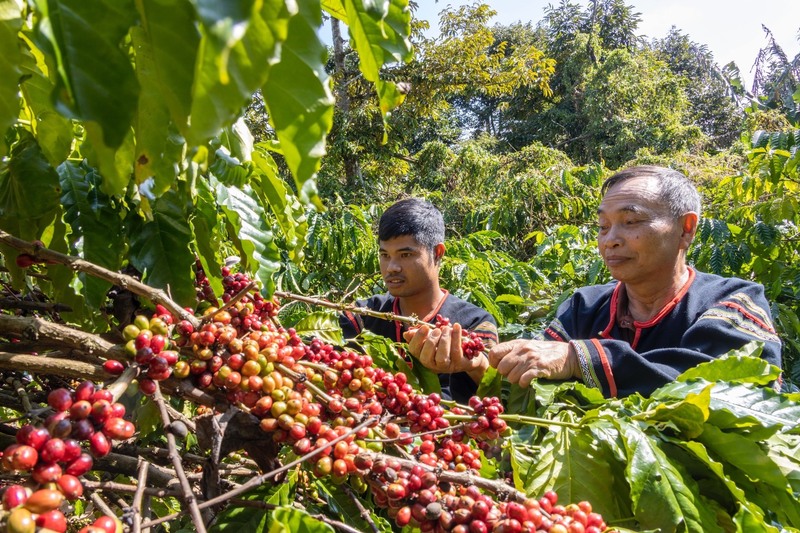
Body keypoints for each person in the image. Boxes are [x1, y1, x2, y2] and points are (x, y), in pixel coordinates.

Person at [409, 166, 782, 397]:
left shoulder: (734, 301)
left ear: (686, 229)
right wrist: (473, 366)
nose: (610, 239)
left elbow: (725, 385)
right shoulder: (584, 307)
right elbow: (530, 389)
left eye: (630, 222)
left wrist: (577, 358)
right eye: (602, 227)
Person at [339, 198, 498, 403]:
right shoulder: (361, 317)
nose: (391, 267)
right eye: (385, 255)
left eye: (405, 254)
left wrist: (474, 364)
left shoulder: (474, 323)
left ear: (437, 253)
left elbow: (498, 397)